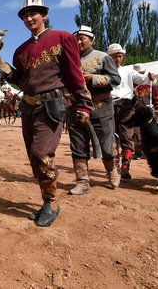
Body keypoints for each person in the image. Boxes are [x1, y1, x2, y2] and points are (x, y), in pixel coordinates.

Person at [0, 0, 93, 227]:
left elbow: (74, 72)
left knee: (41, 153)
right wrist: (3, 66)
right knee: (33, 157)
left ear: (44, 15)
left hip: (52, 105)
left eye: (34, 13)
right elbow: (22, 80)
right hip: (28, 107)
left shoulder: (63, 38)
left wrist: (83, 104)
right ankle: (45, 201)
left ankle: (52, 202)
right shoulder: (20, 50)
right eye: (25, 15)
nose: (29, 18)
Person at [67, 26, 121, 195]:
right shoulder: (69, 58)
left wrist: (93, 78)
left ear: (92, 39)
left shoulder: (102, 57)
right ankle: (82, 181)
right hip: (75, 108)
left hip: (101, 108)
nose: (79, 41)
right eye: (76, 38)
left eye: (83, 38)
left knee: (106, 145)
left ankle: (112, 171)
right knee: (78, 146)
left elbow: (115, 79)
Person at [108, 43, 156, 180]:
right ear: (109, 57)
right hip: (109, 105)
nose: (118, 59)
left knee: (127, 136)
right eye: (115, 56)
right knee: (111, 137)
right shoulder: (103, 71)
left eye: (120, 56)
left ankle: (125, 167)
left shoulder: (128, 71)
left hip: (127, 106)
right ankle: (114, 165)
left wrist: (151, 76)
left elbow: (144, 79)